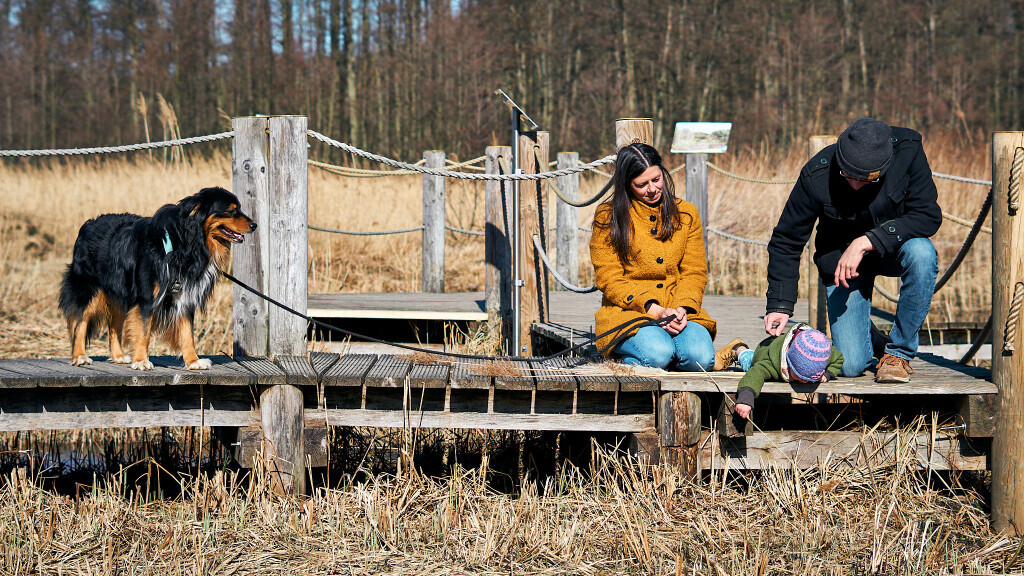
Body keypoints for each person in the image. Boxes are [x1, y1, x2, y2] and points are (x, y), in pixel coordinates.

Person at [763, 117, 941, 383]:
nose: (856, 185)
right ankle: (873, 338)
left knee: (922, 253)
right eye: (848, 175)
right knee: (850, 365)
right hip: (842, 264)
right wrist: (780, 304)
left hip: (894, 250)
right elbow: (787, 240)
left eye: (867, 179)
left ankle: (898, 354)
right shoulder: (816, 174)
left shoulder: (908, 151)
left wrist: (867, 241)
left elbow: (927, 215)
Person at [589, 143, 716, 370]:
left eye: (656, 179)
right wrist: (654, 310)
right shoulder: (607, 216)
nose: (652, 189)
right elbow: (608, 277)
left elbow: (694, 271)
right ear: (626, 184)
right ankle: (631, 355)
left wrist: (682, 309)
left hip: (677, 310)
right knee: (658, 354)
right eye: (641, 184)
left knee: (701, 358)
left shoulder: (687, 213)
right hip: (628, 312)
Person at [715, 326, 844, 419]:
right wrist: (746, 398)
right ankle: (738, 348)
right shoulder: (769, 363)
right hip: (765, 352)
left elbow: (838, 359)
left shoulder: (821, 352)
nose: (805, 381)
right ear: (789, 362)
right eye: (800, 376)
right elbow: (754, 375)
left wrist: (827, 374)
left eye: (810, 378)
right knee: (749, 362)